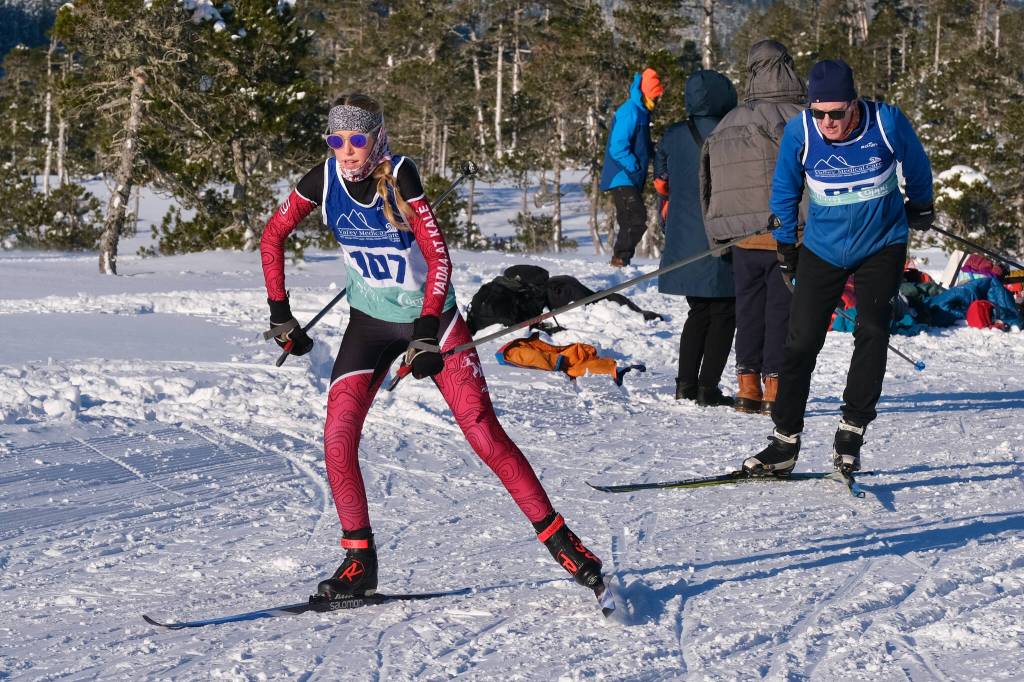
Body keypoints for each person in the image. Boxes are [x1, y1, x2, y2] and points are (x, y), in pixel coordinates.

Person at [259, 93, 606, 602]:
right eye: (336, 141)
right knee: (337, 434)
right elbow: (272, 236)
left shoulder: (401, 174)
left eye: (357, 140)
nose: (347, 151)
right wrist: (279, 313)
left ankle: (564, 542)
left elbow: (439, 258)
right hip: (370, 325)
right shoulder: (323, 180)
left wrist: (424, 331)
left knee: (483, 433)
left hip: (435, 323)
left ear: (376, 137)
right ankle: (360, 560)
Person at [742, 60, 934, 476]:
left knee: (873, 330)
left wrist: (921, 204)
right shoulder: (801, 131)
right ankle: (784, 441)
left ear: (854, 104)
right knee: (801, 342)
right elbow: (785, 186)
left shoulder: (886, 122)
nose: (828, 121)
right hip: (822, 248)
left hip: (881, 244)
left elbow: (916, 163)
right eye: (819, 112)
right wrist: (785, 242)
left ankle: (852, 430)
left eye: (837, 112)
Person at [699, 40, 807, 416]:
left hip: (741, 236)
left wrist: (716, 232)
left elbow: (707, 181)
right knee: (783, 311)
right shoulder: (799, 118)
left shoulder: (729, 121)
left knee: (748, 309)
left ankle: (747, 386)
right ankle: (775, 386)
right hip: (786, 233)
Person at [654, 69, 738, 407]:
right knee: (724, 311)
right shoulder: (733, 132)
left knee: (698, 310)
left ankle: (684, 384)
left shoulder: (673, 134)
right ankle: (708, 388)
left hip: (684, 233)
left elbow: (661, 182)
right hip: (721, 231)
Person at [600, 67, 664, 267]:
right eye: (656, 95)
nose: (659, 100)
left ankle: (621, 260)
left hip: (630, 176)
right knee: (636, 219)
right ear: (647, 93)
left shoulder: (642, 112)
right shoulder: (631, 111)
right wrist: (634, 165)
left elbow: (640, 144)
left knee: (630, 220)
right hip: (622, 175)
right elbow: (617, 146)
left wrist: (655, 150)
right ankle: (620, 259)